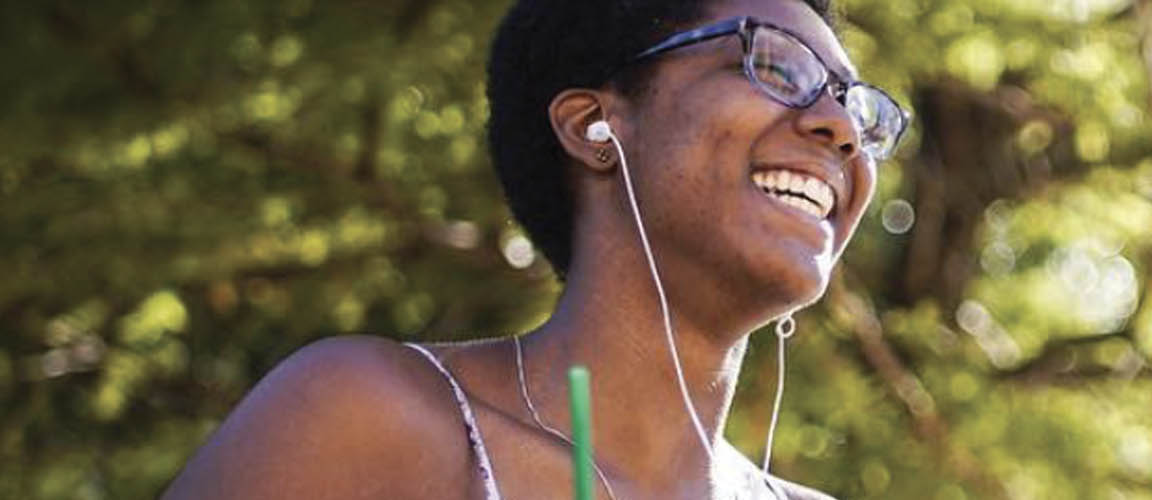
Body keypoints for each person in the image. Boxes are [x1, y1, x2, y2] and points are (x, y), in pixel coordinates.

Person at [163, 0, 906, 496]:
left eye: (859, 109)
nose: (840, 128)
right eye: (777, 66)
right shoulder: (372, 417)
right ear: (593, 126)